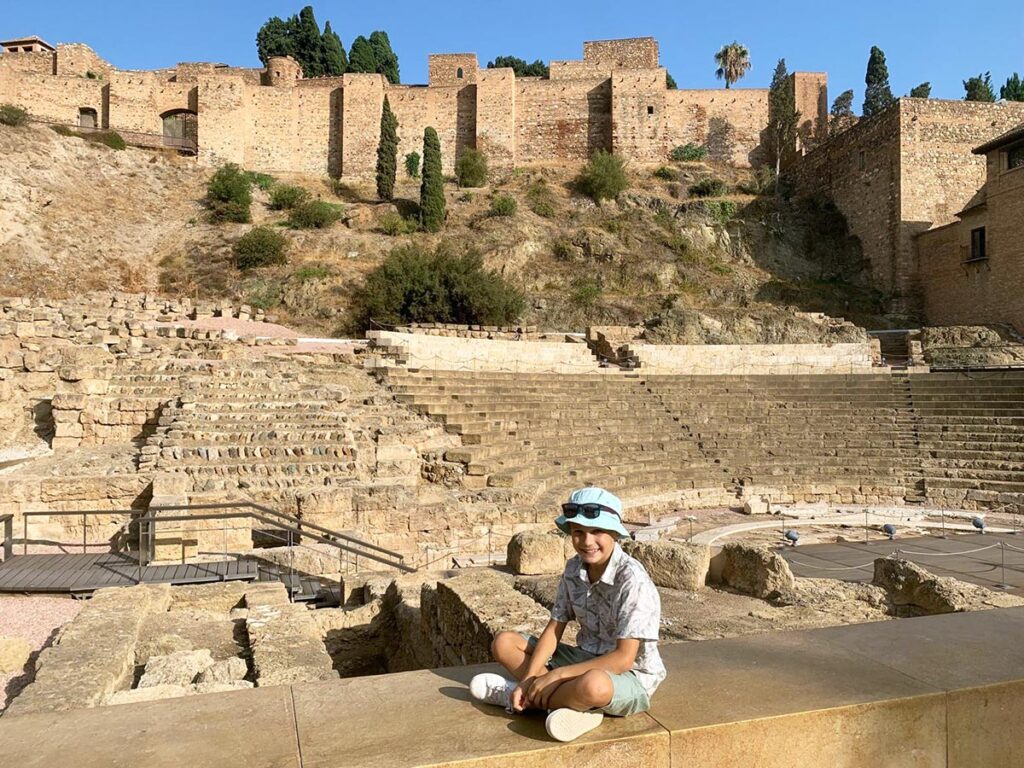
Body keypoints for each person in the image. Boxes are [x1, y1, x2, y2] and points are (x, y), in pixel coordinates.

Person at [468, 487, 665, 742]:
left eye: (597, 532)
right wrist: (530, 678)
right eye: (578, 532)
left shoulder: (632, 580)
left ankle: (520, 697)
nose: (586, 542)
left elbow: (624, 659)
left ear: (614, 533)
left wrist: (556, 674)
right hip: (583, 657)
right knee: (504, 643)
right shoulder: (574, 568)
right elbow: (554, 628)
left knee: (593, 685)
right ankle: (574, 705)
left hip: (629, 676)